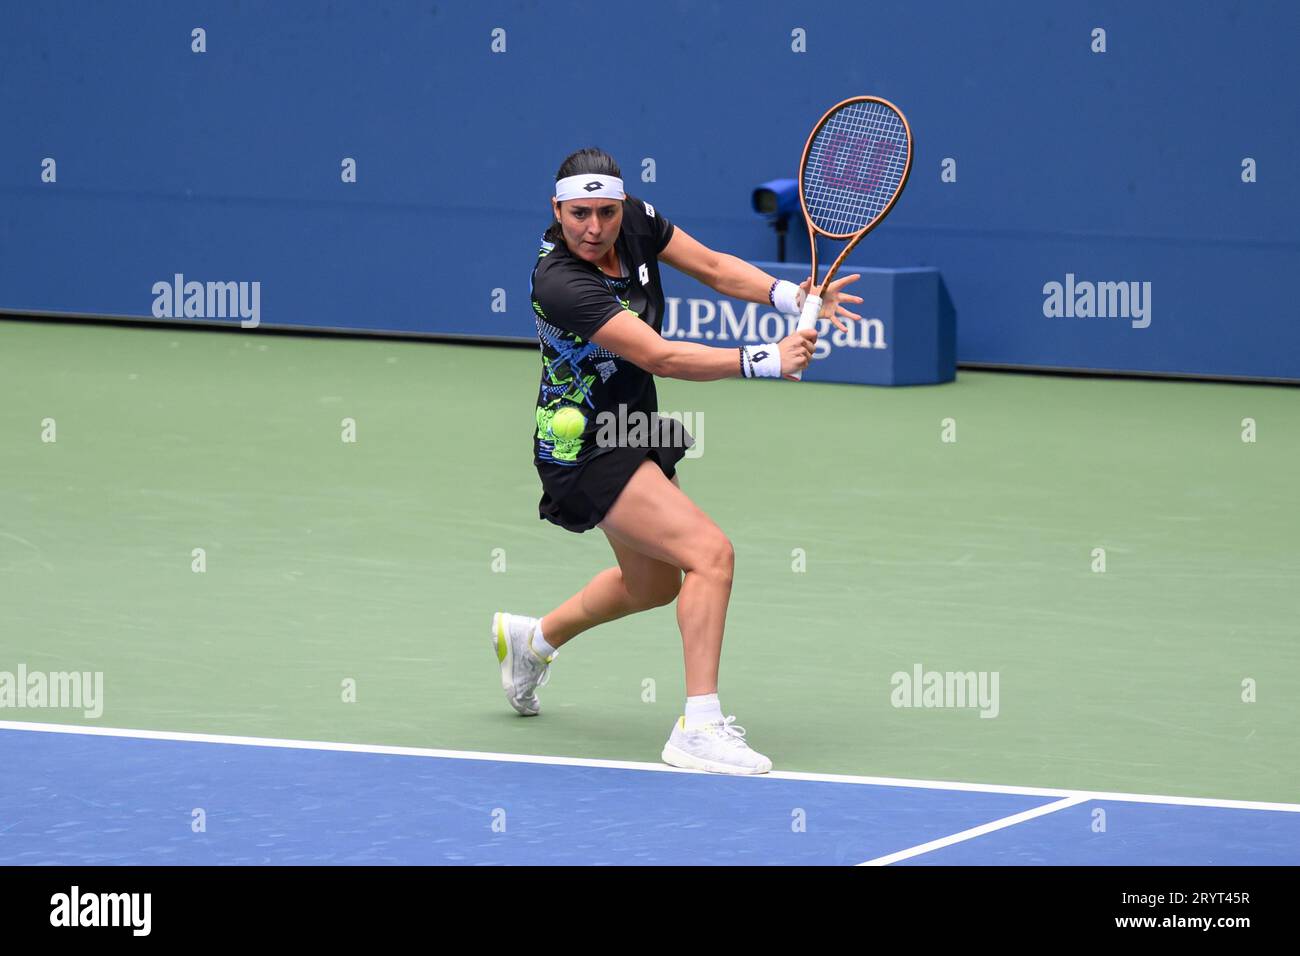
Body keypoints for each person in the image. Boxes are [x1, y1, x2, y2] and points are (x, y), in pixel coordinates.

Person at [492, 147, 862, 774]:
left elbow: (715, 268)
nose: (594, 227)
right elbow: (658, 356)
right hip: (583, 444)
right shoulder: (561, 281)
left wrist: (787, 296)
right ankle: (699, 726)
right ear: (556, 210)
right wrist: (768, 359)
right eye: (578, 213)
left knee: (653, 583)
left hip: (633, 424)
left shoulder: (636, 220)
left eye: (606, 212)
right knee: (710, 555)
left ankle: (533, 641)